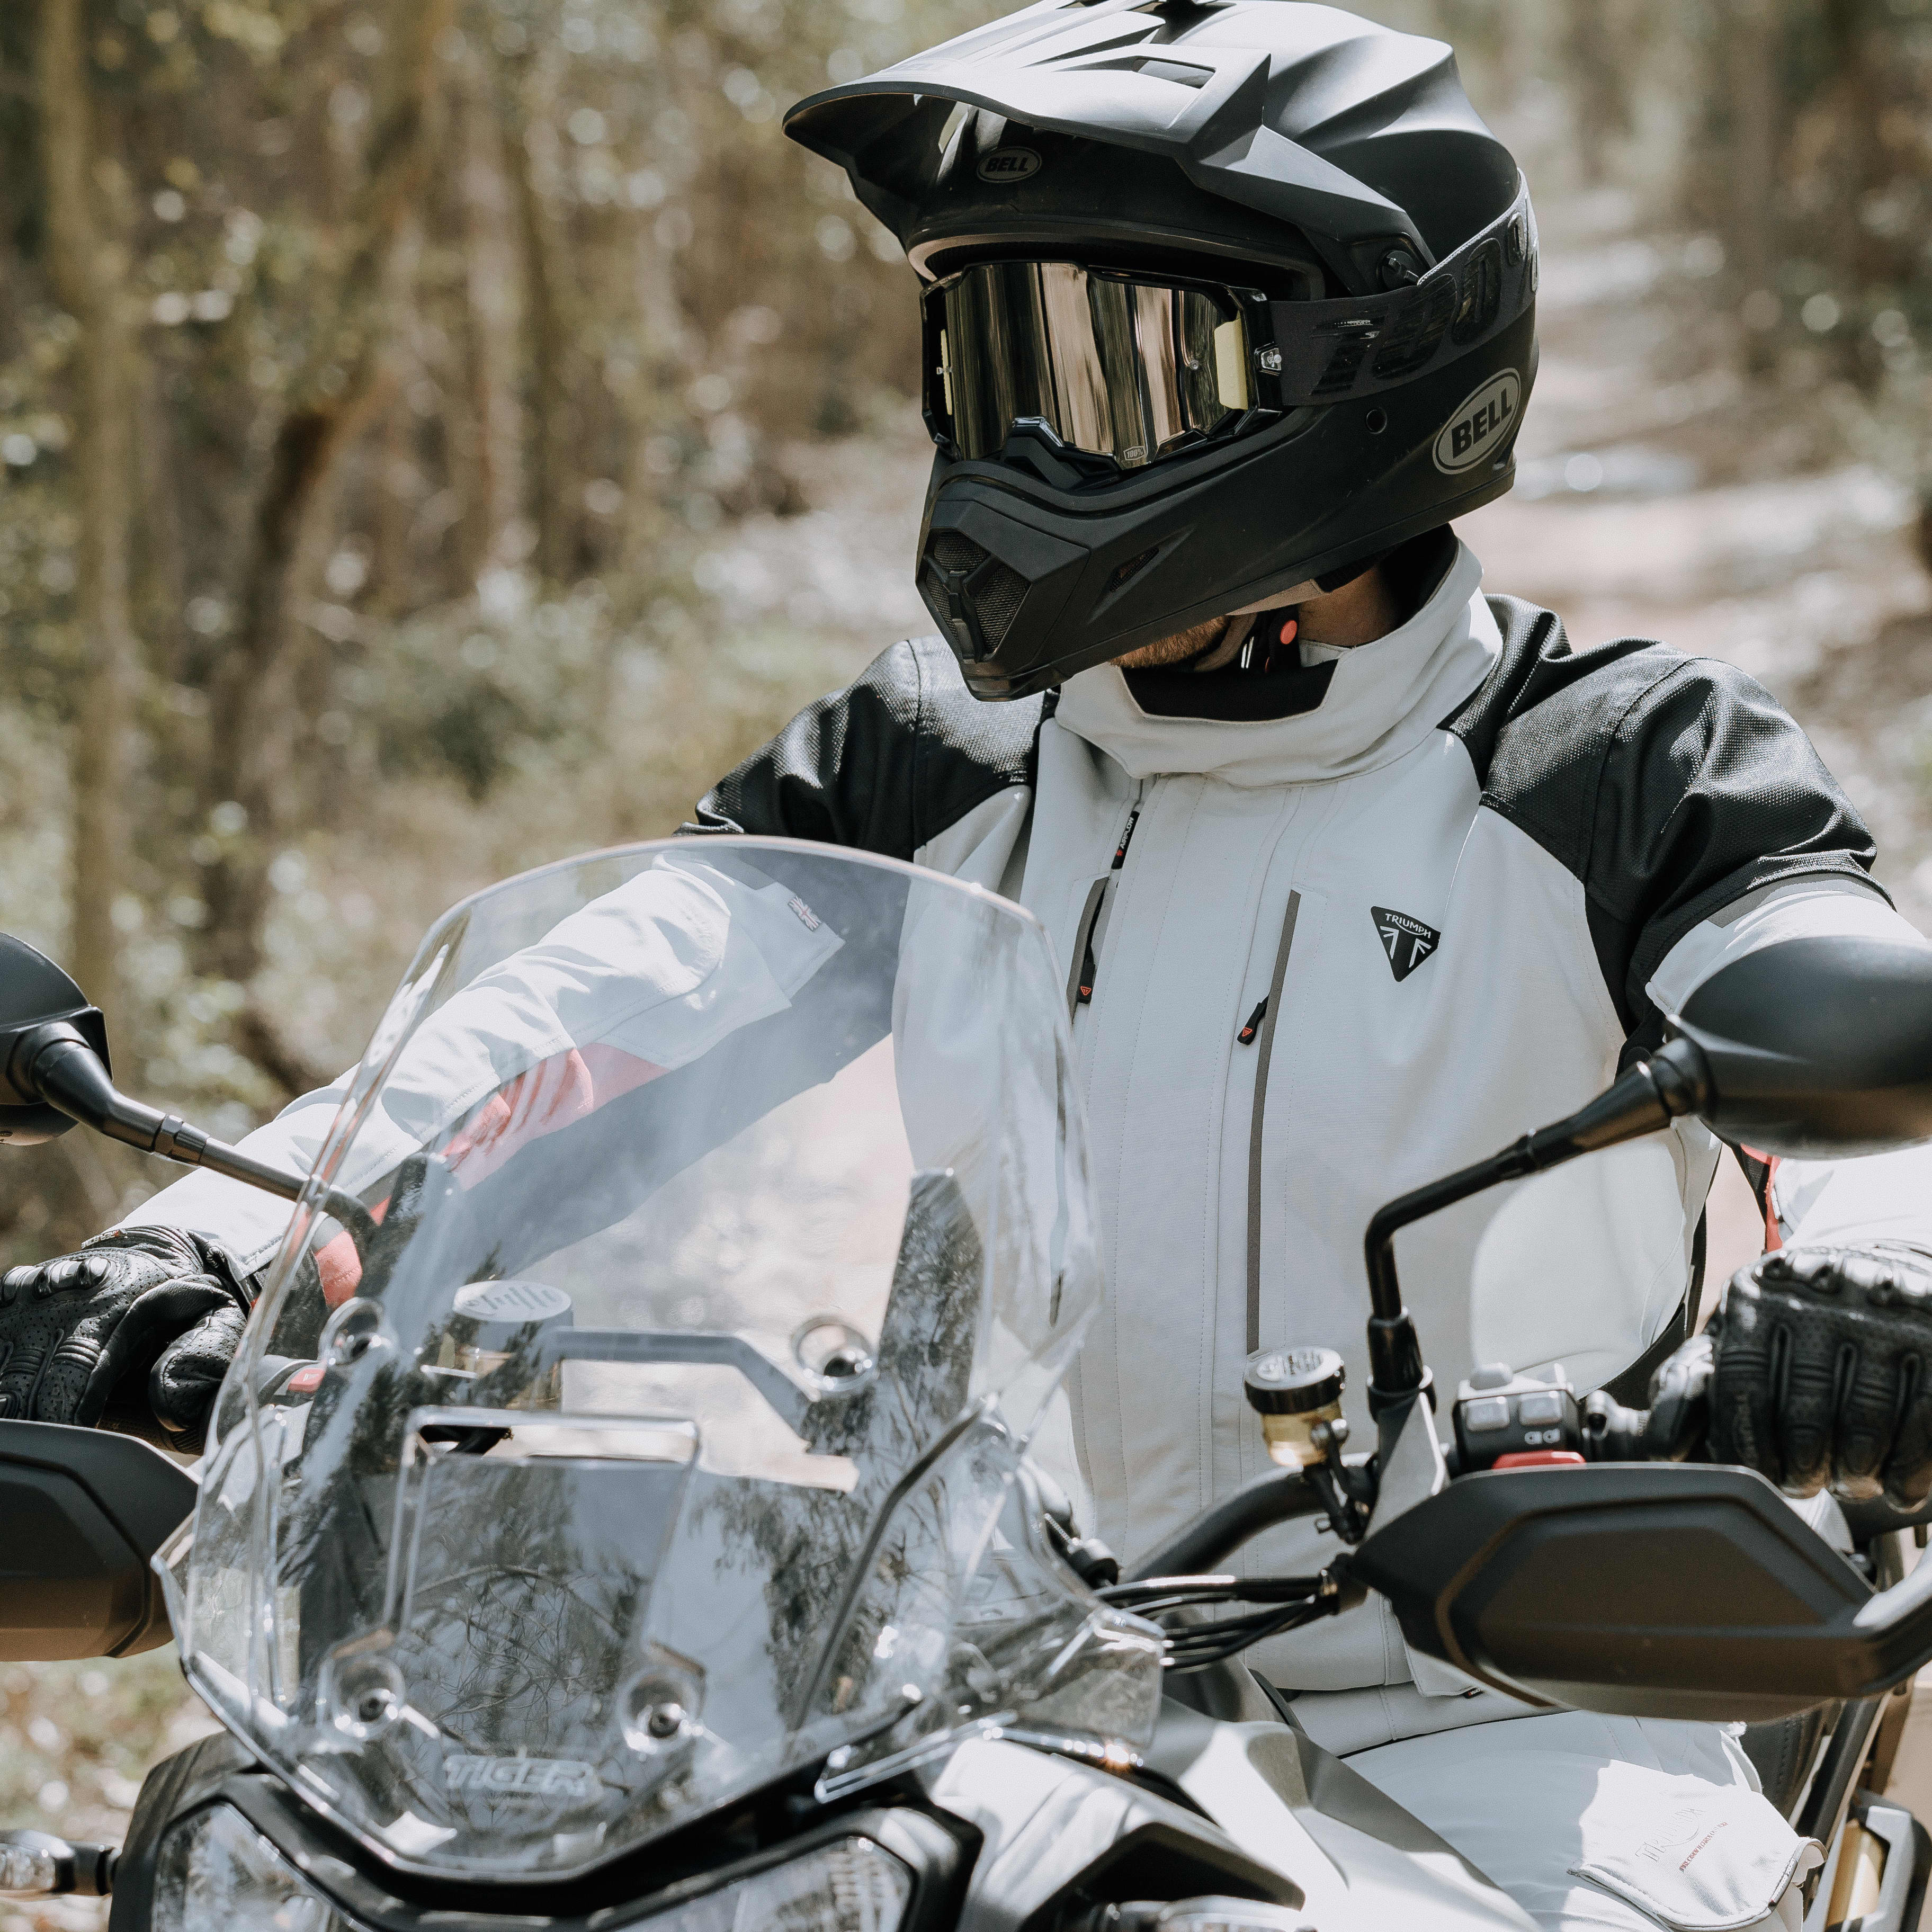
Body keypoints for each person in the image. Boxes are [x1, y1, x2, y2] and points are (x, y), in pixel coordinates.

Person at [5, 4, 1930, 1924]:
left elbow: (1839, 1020)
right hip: (975, 1687)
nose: (1022, 439)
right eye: (988, 355)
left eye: (1108, 365)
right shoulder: (932, 761)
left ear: (1369, 361)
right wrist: (213, 1249)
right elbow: (585, 1015)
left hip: (1528, 1708)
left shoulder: (1618, 767)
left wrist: (1887, 1280)